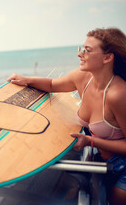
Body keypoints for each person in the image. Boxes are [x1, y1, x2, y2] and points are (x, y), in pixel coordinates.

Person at [7, 27, 126, 204]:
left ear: (107, 58)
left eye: (87, 50)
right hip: (103, 162)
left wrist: (90, 141)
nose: (80, 54)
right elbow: (52, 84)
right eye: (81, 48)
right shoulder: (82, 77)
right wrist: (26, 79)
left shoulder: (118, 94)